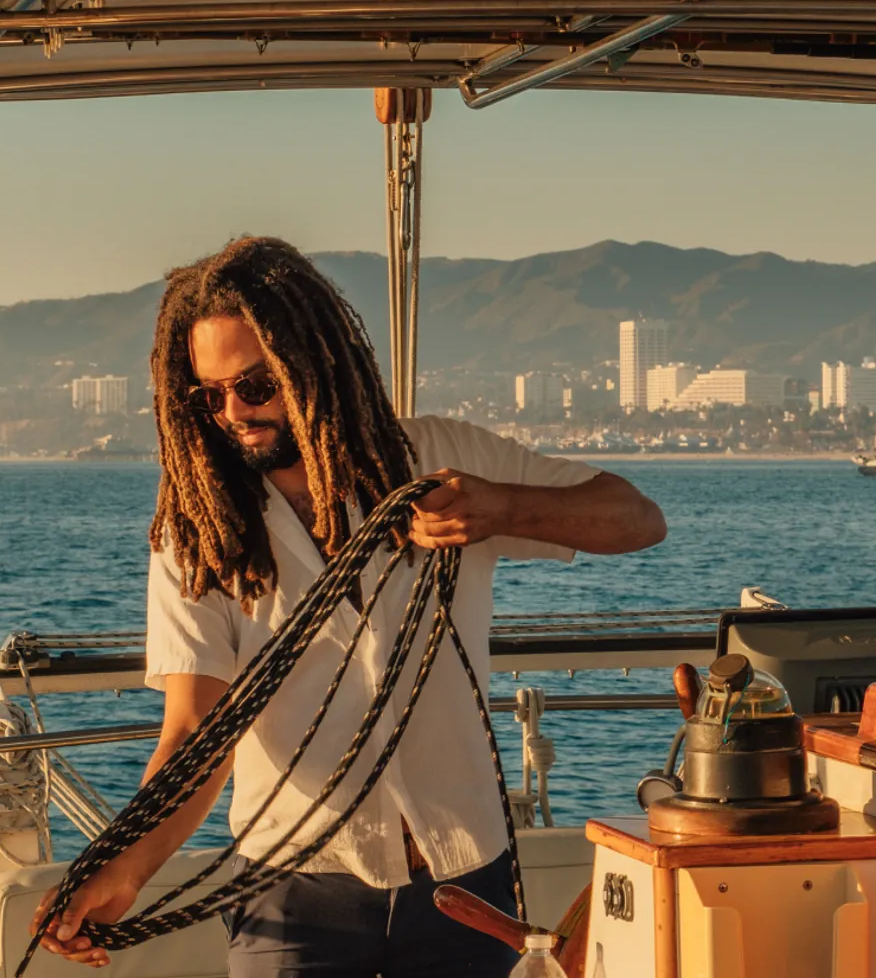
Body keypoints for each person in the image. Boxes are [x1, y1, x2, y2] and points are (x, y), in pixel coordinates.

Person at [39, 236, 666, 977]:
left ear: (314, 364)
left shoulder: (442, 458)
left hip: (464, 880)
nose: (233, 412)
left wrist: (499, 506)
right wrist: (122, 867)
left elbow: (635, 519)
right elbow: (196, 728)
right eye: (208, 396)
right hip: (289, 894)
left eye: (255, 386)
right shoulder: (198, 532)